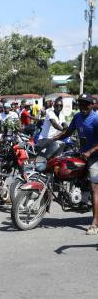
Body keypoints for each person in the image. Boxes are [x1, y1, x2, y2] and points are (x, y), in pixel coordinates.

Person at [53, 94, 98, 235]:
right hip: (82, 153)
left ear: (92, 105)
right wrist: (52, 139)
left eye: (86, 103)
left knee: (94, 188)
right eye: (80, 103)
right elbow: (68, 132)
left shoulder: (96, 119)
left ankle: (95, 223)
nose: (83, 106)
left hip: (95, 156)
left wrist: (90, 152)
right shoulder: (77, 117)